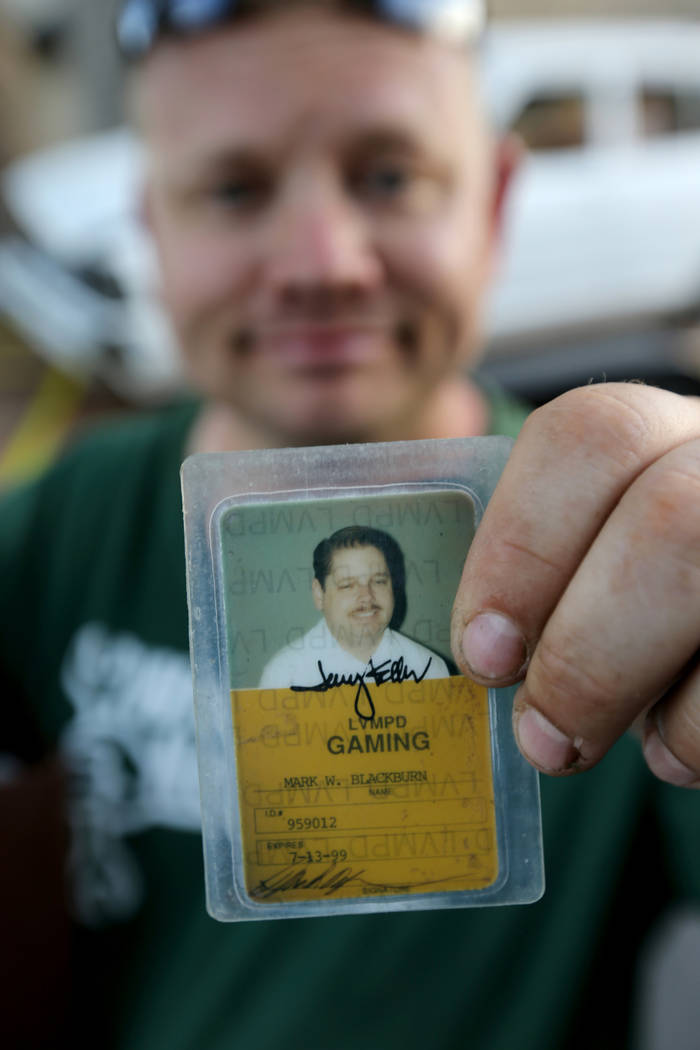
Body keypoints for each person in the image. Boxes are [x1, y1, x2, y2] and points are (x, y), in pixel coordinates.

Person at [1, 1, 699, 1048]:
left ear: (493, 201)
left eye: (388, 177)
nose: (322, 262)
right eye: (234, 190)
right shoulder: (70, 520)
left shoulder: (626, 553)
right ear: (152, 226)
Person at [258, 524, 450, 693]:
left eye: (378, 581)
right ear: (319, 594)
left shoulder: (430, 670)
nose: (366, 596)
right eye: (347, 585)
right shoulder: (284, 676)